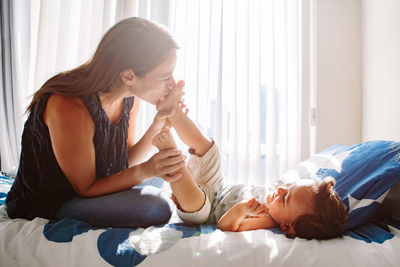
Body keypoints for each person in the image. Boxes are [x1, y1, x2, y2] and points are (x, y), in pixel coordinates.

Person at [6, 17, 188, 228]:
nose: (173, 84)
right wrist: (147, 170)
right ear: (129, 76)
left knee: (163, 180)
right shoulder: (68, 105)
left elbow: (124, 163)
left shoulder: (129, 96)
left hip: (94, 188)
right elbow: (87, 188)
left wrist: (161, 121)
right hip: (52, 200)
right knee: (156, 207)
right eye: (166, 76)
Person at [152, 85, 349, 239]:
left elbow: (226, 227)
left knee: (196, 204)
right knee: (210, 150)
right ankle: (172, 111)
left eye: (285, 198)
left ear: (287, 226)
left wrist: (241, 210)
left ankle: (169, 153)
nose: (281, 190)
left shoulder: (266, 220)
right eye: (289, 187)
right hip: (218, 188)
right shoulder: (276, 196)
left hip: (207, 210)